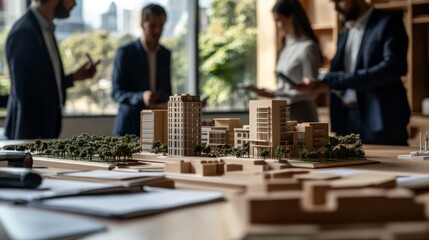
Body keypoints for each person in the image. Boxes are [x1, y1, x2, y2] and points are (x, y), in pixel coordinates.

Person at [296, 0, 410, 145]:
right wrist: (321, 84)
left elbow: (393, 68)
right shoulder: (345, 32)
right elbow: (341, 76)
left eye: (340, 1)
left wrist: (333, 80)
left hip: (381, 121)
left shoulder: (389, 23)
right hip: (346, 120)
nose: (336, 8)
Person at [5, 0, 97, 140]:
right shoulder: (25, 32)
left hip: (45, 134)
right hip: (31, 137)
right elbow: (24, 93)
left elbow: (41, 83)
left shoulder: (45, 29)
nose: (74, 4)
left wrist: (73, 78)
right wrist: (35, 136)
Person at [244, 0, 322, 122]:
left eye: (278, 20)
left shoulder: (308, 47)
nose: (276, 26)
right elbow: (285, 87)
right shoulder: (287, 47)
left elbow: (312, 91)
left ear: (292, 18)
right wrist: (273, 93)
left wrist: (280, 94)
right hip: (284, 111)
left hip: (302, 113)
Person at [112, 3, 172, 136]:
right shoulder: (125, 53)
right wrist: (141, 97)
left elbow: (167, 90)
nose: (157, 31)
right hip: (130, 128)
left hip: (158, 127)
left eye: (161, 26)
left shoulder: (165, 54)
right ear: (141, 24)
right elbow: (116, 92)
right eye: (152, 26)